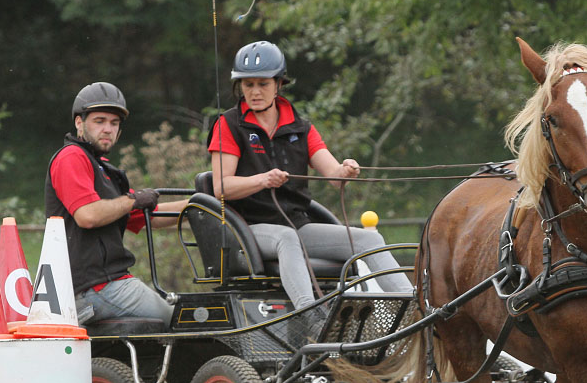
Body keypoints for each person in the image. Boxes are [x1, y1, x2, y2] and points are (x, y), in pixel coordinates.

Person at [208, 41, 413, 332]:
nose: (254, 91)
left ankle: (413, 309)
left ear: (279, 84)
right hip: (248, 230)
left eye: (262, 84)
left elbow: (333, 173)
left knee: (368, 241)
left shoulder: (300, 127)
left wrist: (347, 169)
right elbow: (221, 188)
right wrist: (263, 180)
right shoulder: (227, 124)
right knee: (286, 239)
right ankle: (312, 318)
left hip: (298, 225)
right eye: (247, 84)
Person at [45, 82, 187, 328]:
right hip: (93, 287)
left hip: (110, 284)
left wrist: (202, 204)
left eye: (114, 123)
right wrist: (132, 200)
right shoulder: (71, 157)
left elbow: (150, 217)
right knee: (184, 320)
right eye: (99, 121)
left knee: (191, 314)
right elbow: (87, 215)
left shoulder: (105, 171)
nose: (107, 129)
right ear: (79, 123)